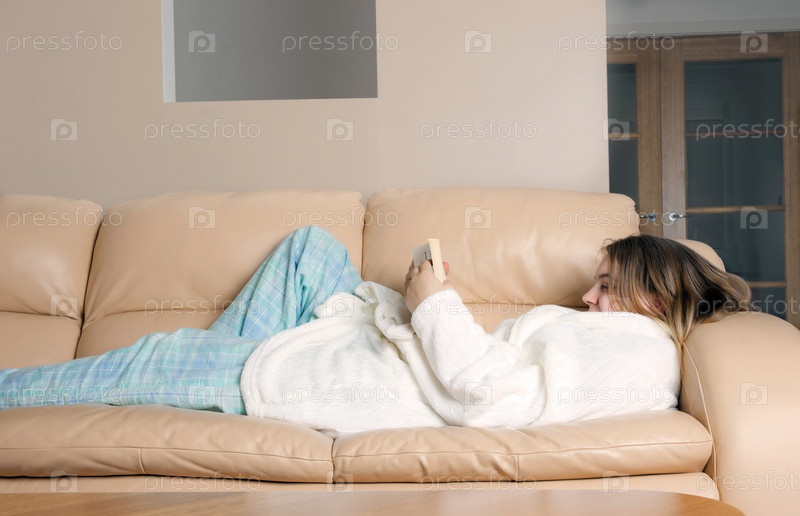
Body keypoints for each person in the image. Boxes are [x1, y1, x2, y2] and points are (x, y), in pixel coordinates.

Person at [0, 228, 751, 429]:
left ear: (658, 298)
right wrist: (427, 299)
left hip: (366, 377)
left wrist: (432, 303)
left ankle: (214, 374)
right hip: (389, 342)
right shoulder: (622, 338)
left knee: (155, 357)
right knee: (310, 249)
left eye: (608, 286)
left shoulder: (635, 358)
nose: (588, 297)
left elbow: (488, 395)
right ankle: (224, 368)